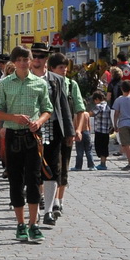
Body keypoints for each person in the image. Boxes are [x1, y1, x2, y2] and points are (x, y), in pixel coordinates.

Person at [0, 48, 55, 243]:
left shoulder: (39, 83)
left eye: (25, 59)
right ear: (14, 62)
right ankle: (20, 223)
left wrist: (40, 121)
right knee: (15, 180)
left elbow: (47, 109)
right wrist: (13, 118)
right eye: (18, 60)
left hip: (33, 136)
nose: (22, 63)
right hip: (12, 135)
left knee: (34, 180)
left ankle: (33, 224)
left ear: (30, 61)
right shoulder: (4, 84)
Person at [40, 53, 84, 226]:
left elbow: (80, 109)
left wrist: (77, 130)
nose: (64, 70)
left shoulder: (71, 85)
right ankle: (46, 198)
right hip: (50, 129)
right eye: (61, 67)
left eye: (65, 67)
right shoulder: (47, 83)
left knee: (63, 166)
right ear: (52, 68)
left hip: (67, 131)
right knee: (47, 166)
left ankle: (59, 200)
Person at [112, 80, 130, 171]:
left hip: (123, 124)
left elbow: (116, 113)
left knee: (127, 144)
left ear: (121, 89)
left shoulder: (118, 100)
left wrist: (115, 125)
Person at [90, 89, 114, 170]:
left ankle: (102, 164)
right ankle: (103, 163)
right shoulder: (107, 106)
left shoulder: (99, 106)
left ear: (97, 99)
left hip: (99, 130)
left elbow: (91, 114)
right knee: (104, 147)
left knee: (98, 147)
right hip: (106, 131)